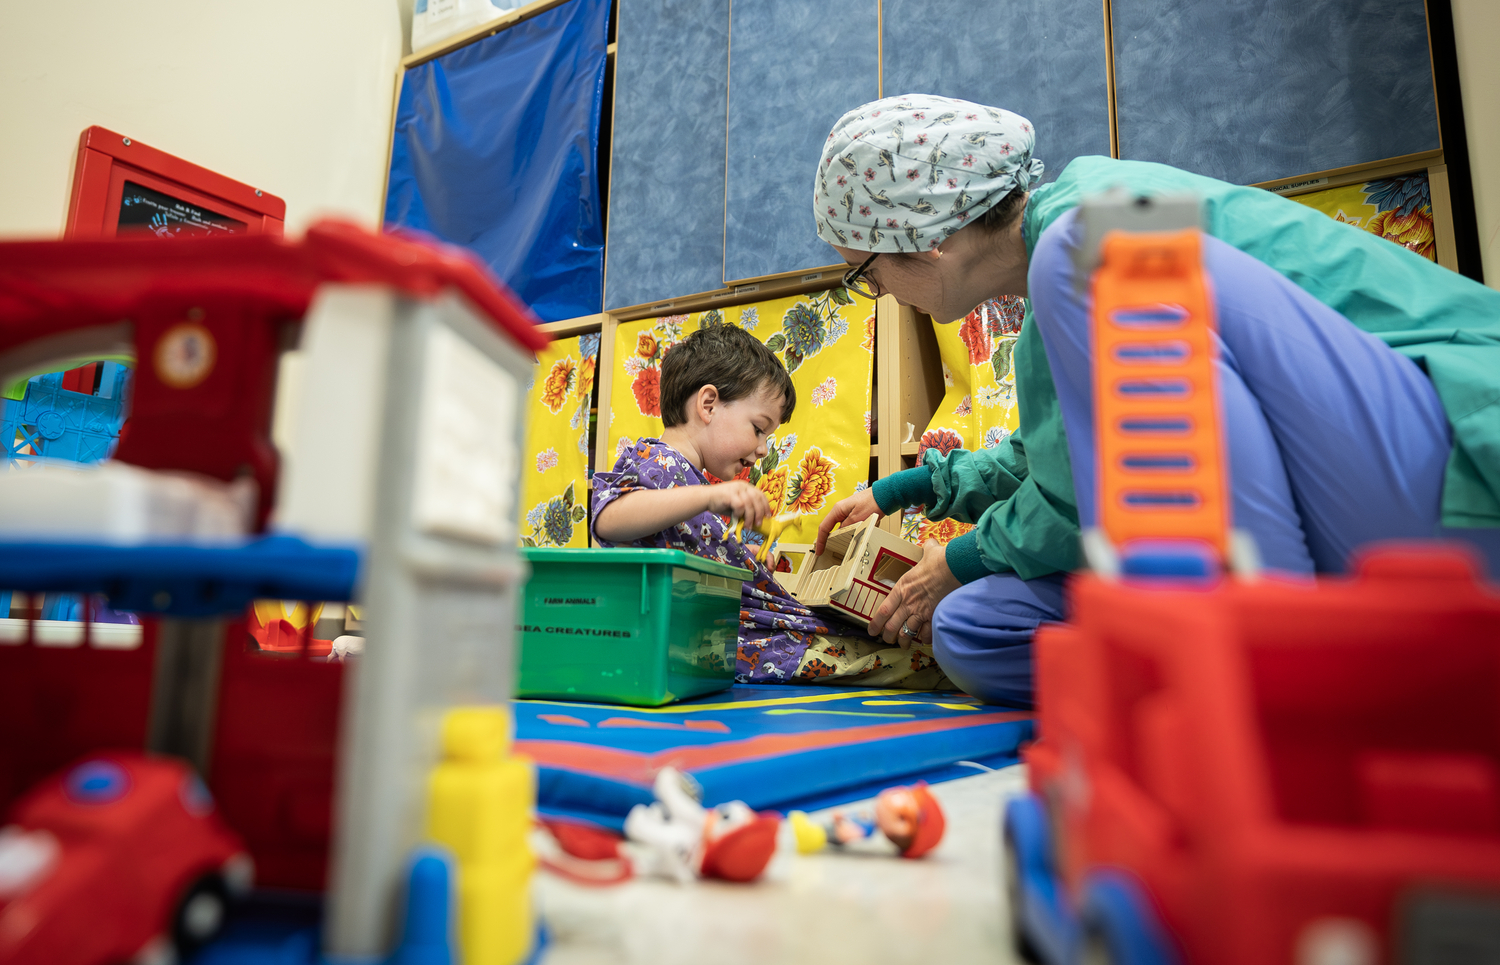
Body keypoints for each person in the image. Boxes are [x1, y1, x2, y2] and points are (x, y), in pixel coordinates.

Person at [810, 93, 1500, 707]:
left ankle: (1270, 678)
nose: (882, 296)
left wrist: (959, 558)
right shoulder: (1056, 286)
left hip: (1457, 455)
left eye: (864, 275)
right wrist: (906, 488)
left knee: (1082, 252)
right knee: (973, 627)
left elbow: (1083, 494)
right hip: (1350, 486)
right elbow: (1057, 457)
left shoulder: (1087, 230)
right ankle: (1235, 668)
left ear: (925, 242)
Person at [592, 323, 951, 688]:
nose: (763, 448)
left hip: (738, 639)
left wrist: (737, 558)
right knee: (907, 660)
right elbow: (609, 517)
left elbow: (680, 543)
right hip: (733, 645)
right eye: (758, 428)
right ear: (708, 404)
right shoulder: (657, 461)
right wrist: (712, 496)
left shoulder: (688, 478)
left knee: (896, 652)